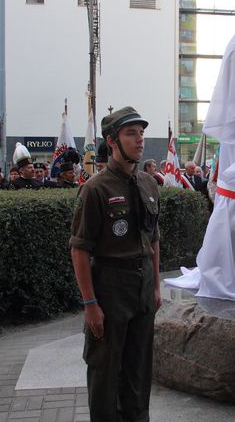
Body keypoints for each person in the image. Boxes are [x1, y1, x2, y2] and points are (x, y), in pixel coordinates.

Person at [69, 106, 161, 422]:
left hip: (143, 286)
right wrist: (90, 303)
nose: (140, 140)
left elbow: (153, 240)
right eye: (131, 133)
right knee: (105, 371)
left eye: (141, 133)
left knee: (139, 370)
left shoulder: (149, 183)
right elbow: (79, 249)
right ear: (112, 141)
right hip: (110, 285)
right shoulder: (96, 188)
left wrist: (157, 286)